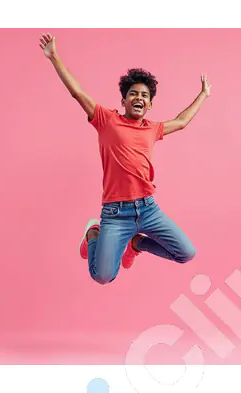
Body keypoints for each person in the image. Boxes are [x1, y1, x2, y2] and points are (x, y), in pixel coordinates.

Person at [39, 33, 211, 285]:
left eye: (144, 95)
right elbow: (77, 93)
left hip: (148, 209)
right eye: (133, 94)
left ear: (150, 104)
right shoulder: (107, 120)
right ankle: (93, 233)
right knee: (103, 275)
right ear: (123, 100)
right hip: (116, 213)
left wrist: (204, 95)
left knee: (186, 253)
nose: (138, 98)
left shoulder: (152, 128)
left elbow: (182, 121)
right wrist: (54, 57)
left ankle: (137, 243)